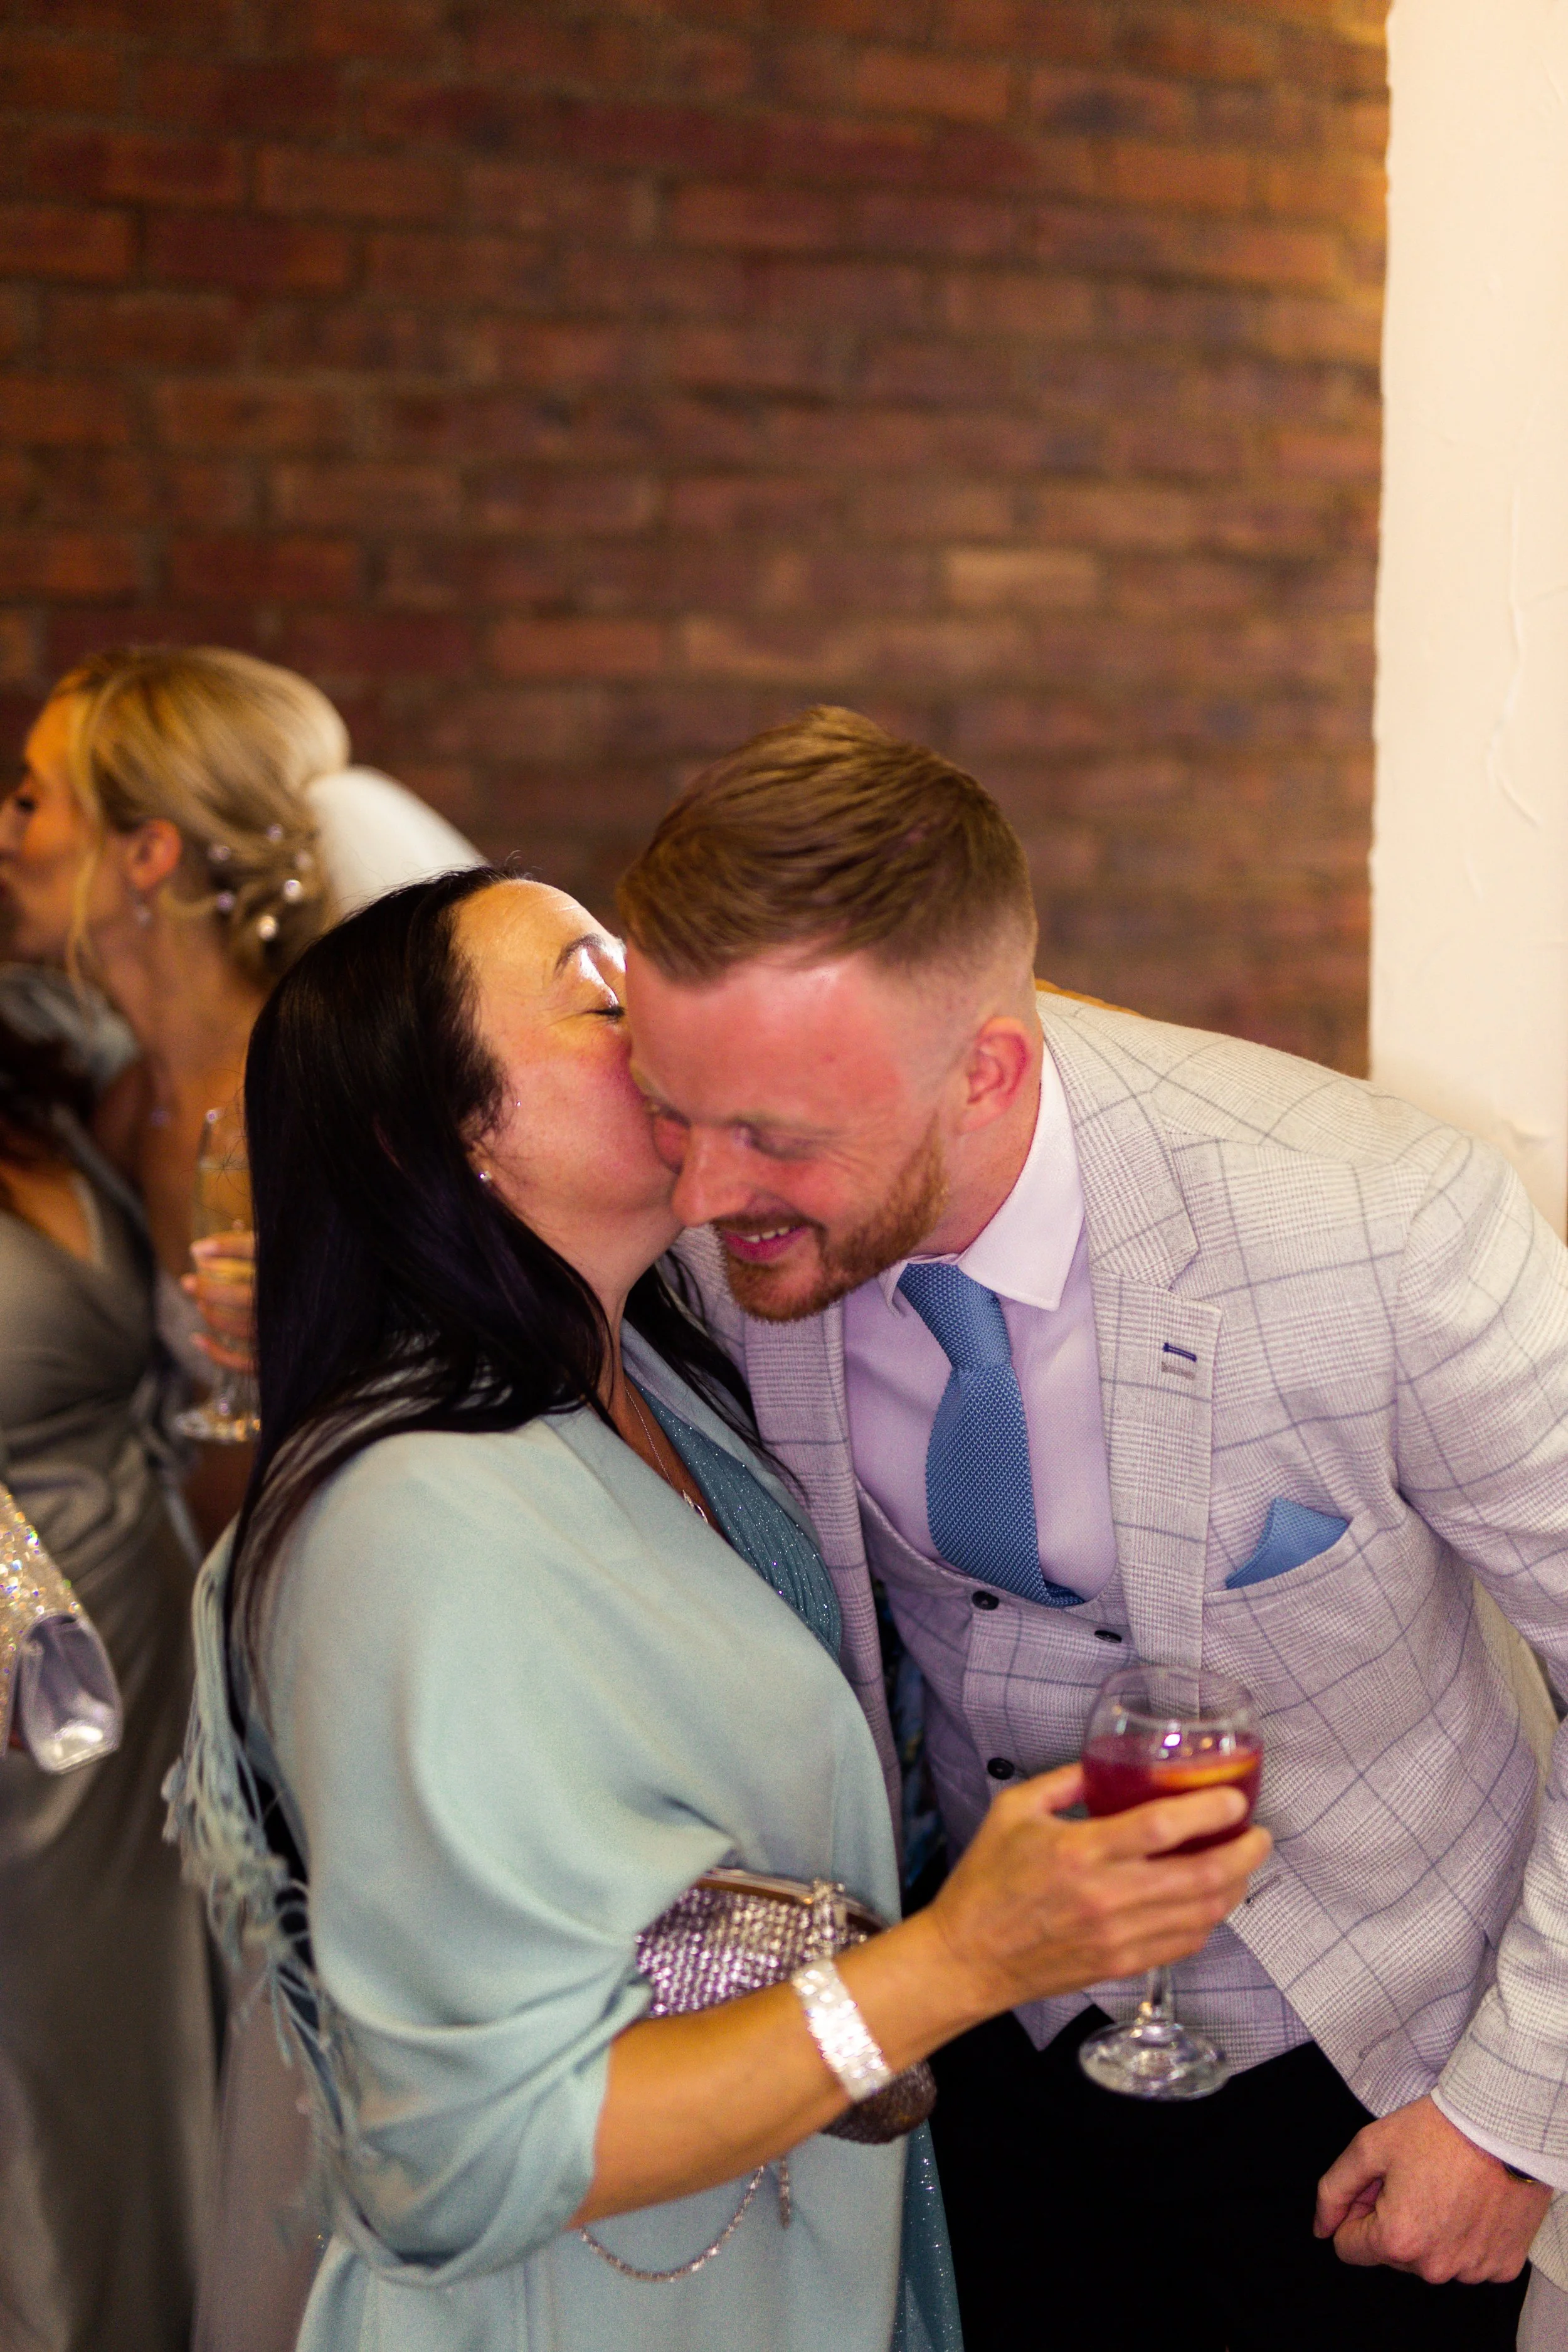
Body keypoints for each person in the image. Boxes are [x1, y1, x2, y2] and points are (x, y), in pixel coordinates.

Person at [169, 868, 1269, 2352]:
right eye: (601, 995)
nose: (666, 1018)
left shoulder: (663, 1387)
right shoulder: (405, 1523)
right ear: (435, 1132)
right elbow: (461, 2156)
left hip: (780, 2242)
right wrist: (954, 1965)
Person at [612, 704, 1568, 2352]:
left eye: (772, 1133)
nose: (696, 1197)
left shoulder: (1385, 1221)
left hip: (1365, 2078)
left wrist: (1509, 2115)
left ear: (988, 1066)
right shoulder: (716, 1223)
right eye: (671, 1113)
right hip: (980, 2053)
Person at [0, 642, 480, 1549]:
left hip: (368, 1551)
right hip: (207, 1582)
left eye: (30, 799)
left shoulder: (311, 1099)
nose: (4, 834)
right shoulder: (120, 1105)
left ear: (147, 853)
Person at [0, 1000, 216, 2352]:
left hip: (153, 1616)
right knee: (48, 2076)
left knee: (167, 2058)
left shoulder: (55, 1063)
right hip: (26, 1685)